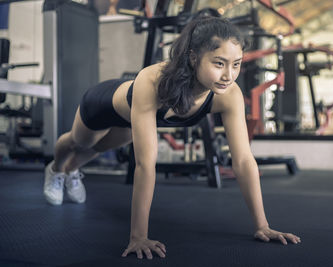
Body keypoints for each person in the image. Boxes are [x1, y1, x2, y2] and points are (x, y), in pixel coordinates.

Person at [43, 16, 301, 260]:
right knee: (80, 143)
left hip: (131, 121)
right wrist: (138, 237)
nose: (229, 75)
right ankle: (56, 169)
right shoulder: (153, 80)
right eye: (219, 63)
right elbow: (145, 164)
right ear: (193, 57)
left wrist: (262, 225)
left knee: (98, 148)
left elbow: (244, 160)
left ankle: (71, 171)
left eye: (236, 64)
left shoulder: (229, 94)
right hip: (102, 105)